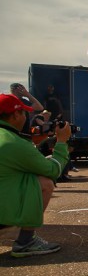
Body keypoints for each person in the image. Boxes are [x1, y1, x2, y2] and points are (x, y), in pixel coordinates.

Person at [0, 93, 71, 257]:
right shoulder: (12, 141)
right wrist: (61, 142)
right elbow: (53, 171)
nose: (27, 116)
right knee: (45, 182)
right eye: (25, 113)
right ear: (16, 114)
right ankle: (25, 240)